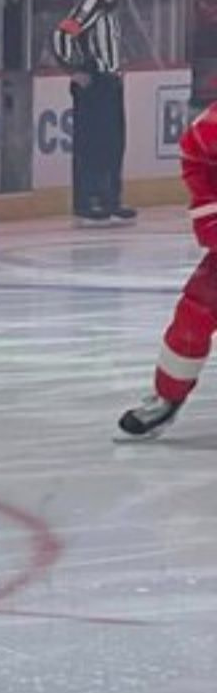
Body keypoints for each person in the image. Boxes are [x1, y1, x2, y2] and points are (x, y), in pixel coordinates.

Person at [116, 97, 217, 438]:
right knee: (194, 313)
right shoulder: (209, 128)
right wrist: (211, 219)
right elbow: (196, 157)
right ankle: (167, 398)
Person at [53, 0, 136, 222]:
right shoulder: (92, 4)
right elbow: (63, 34)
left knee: (113, 142)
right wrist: (74, 70)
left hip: (110, 82)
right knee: (92, 143)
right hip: (95, 83)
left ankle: (110, 197)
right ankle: (88, 200)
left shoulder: (111, 7)